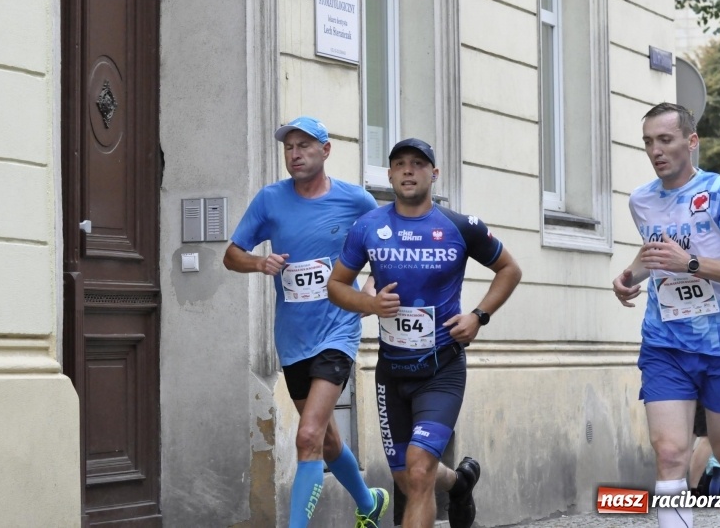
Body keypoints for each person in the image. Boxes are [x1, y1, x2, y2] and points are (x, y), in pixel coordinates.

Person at [327, 138, 522, 528]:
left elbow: (509, 269)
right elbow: (336, 286)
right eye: (400, 164)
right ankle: (459, 483)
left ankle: (446, 484)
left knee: (417, 472)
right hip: (391, 372)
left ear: (433, 174)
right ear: (390, 174)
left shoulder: (459, 226)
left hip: (442, 369)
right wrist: (370, 304)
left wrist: (479, 316)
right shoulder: (368, 227)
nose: (408, 170)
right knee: (408, 476)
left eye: (418, 163)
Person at [223, 116, 387, 528]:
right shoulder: (270, 200)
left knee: (307, 437)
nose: (294, 155)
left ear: (325, 150)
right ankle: (368, 504)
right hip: (293, 336)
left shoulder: (357, 201)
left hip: (338, 331)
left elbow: (386, 248)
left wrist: (366, 294)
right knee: (327, 439)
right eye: (289, 147)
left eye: (304, 146)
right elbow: (231, 254)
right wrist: (260, 262)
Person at [612, 102, 720, 528]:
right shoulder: (641, 200)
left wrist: (691, 264)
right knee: (671, 454)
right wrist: (629, 275)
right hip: (665, 343)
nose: (655, 151)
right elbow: (655, 255)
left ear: (690, 142)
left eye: (665, 140)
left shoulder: (719, 192)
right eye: (648, 142)